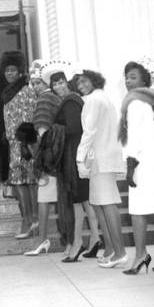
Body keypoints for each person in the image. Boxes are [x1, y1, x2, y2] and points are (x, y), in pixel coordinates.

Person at [43, 61, 101, 262]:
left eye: (60, 82)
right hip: (78, 156)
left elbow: (74, 129)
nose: (58, 87)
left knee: (79, 201)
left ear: (67, 82)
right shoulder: (74, 100)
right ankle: (94, 239)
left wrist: (52, 133)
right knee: (86, 201)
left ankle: (77, 244)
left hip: (75, 157)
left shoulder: (70, 101)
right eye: (54, 85)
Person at [118, 58, 154, 275]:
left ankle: (141, 255)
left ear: (145, 80)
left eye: (133, 77)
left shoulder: (135, 102)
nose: (128, 82)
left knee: (138, 211)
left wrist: (130, 166)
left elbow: (135, 137)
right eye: (127, 78)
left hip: (142, 161)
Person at [74, 68, 128, 268]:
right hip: (102, 158)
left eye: (84, 81)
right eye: (78, 83)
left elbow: (89, 131)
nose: (81, 85)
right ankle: (112, 249)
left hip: (102, 159)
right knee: (99, 204)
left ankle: (120, 252)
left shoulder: (94, 100)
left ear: (94, 80)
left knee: (107, 204)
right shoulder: (101, 98)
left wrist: (80, 158)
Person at [0, 51, 39, 239]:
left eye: (13, 70)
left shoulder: (26, 90)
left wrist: (25, 144)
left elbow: (29, 118)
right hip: (13, 145)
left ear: (20, 71)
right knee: (20, 183)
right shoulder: (8, 92)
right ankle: (29, 220)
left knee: (27, 182)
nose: (9, 73)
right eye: (6, 70)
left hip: (25, 144)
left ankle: (31, 221)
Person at [24, 59, 61, 256]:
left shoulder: (45, 100)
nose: (36, 86)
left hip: (48, 158)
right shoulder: (55, 98)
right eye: (34, 83)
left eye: (39, 82)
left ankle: (42, 239)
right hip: (57, 155)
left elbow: (42, 130)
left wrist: (37, 154)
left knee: (44, 199)